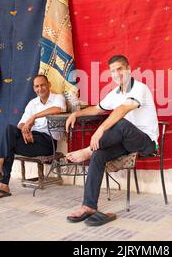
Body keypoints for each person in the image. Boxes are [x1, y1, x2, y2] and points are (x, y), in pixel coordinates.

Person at [65, 55, 158, 226]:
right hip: (125, 143)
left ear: (128, 69)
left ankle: (87, 150)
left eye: (120, 69)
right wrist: (75, 113)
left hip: (145, 142)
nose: (117, 74)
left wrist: (101, 129)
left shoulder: (139, 88)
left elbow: (123, 109)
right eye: (113, 71)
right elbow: (97, 109)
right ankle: (89, 206)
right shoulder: (115, 93)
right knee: (99, 155)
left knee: (121, 122)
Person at [0, 74, 66, 200]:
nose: (40, 89)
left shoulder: (57, 98)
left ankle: (1, 179)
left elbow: (58, 109)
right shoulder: (33, 103)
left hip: (47, 142)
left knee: (8, 144)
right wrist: (25, 129)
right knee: (10, 132)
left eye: (42, 85)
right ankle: (0, 176)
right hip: (32, 139)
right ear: (33, 88)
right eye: (37, 86)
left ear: (49, 85)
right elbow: (21, 123)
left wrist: (34, 117)